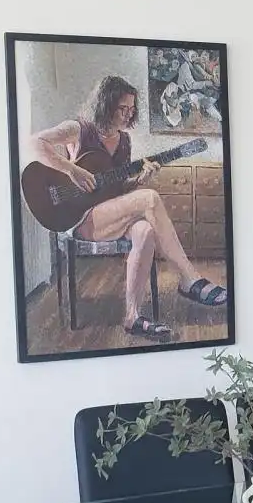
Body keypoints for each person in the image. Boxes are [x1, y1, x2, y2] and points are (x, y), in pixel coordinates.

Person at [29, 74, 228, 342]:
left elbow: (117, 189)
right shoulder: (79, 129)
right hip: (79, 218)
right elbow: (34, 142)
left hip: (109, 215)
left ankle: (132, 317)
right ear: (105, 105)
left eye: (131, 109)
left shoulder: (124, 142)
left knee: (145, 230)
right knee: (150, 198)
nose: (128, 114)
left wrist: (139, 180)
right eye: (122, 108)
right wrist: (71, 170)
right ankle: (189, 279)